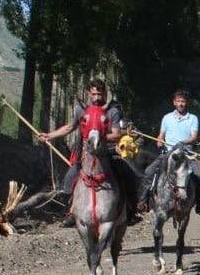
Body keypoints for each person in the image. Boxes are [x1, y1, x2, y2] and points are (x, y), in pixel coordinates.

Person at [38, 79, 139, 225]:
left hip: (109, 152)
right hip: (87, 154)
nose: (97, 97)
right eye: (94, 94)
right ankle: (72, 211)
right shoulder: (82, 110)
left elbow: (116, 134)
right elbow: (70, 127)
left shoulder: (113, 110)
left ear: (104, 93)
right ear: (88, 93)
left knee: (128, 174)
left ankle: (131, 211)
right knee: (69, 178)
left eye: (99, 93)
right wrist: (49, 135)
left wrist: (99, 136)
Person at [139, 89, 200, 214]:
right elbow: (161, 135)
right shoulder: (166, 118)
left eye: (183, 101)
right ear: (174, 103)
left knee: (199, 173)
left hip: (186, 154)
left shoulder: (193, 118)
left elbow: (194, 136)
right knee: (149, 171)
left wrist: (182, 143)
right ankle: (143, 201)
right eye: (178, 101)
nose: (181, 104)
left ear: (187, 103)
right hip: (168, 153)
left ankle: (199, 202)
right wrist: (159, 140)